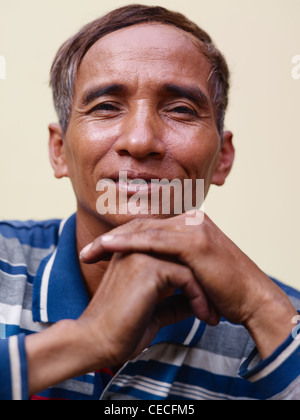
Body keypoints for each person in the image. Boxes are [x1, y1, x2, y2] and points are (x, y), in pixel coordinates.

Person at [0, 4, 299, 401]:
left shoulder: (280, 322)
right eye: (106, 107)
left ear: (222, 159)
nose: (140, 141)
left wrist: (263, 309)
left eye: (180, 110)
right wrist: (86, 342)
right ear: (59, 151)